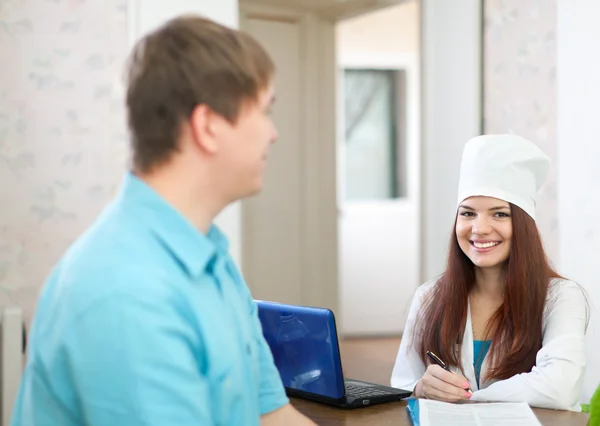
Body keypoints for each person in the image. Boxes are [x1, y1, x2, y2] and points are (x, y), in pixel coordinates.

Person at [10, 15, 315, 426]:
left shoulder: (213, 259)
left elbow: (271, 414)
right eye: (264, 111)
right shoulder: (125, 292)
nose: (272, 133)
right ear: (207, 126)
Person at [391, 134, 589, 411]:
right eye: (468, 213)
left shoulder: (561, 297)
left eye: (499, 214)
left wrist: (468, 397)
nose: (479, 229)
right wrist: (421, 387)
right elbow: (399, 386)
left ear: (524, 226)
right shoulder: (429, 296)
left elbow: (560, 387)